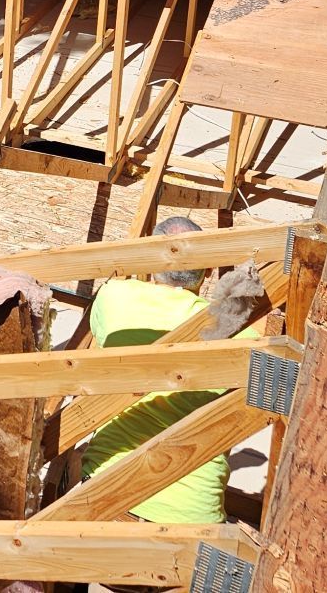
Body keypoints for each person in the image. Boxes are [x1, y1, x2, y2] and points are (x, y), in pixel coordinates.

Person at [77, 216, 252, 526]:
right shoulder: (235, 328)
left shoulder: (113, 296)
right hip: (192, 515)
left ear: (151, 261)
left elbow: (102, 338)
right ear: (209, 272)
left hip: (105, 490)